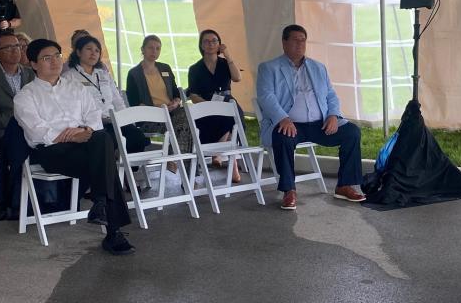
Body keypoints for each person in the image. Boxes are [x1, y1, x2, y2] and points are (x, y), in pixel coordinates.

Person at [13, 39, 134, 255]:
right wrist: (71, 136)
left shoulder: (76, 87)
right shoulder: (26, 96)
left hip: (84, 146)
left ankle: (100, 203)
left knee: (103, 138)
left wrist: (85, 131)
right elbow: (36, 131)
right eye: (46, 58)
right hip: (52, 152)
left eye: (57, 56)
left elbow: (94, 117)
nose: (54, 62)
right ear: (33, 63)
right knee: (105, 162)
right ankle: (111, 228)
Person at [256, 24, 364, 210]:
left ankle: (344, 185)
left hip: (318, 124)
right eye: (295, 40)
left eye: (303, 40)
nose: (300, 44)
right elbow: (266, 96)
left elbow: (331, 95)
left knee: (352, 132)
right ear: (284, 42)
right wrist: (283, 118)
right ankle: (289, 190)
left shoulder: (318, 67)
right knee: (282, 137)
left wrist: (333, 115)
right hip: (290, 124)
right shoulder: (269, 68)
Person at [0, 30, 59, 220]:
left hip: (32, 129)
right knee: (19, 139)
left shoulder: (32, 74)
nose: (16, 50)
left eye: (18, 46)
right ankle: (30, 200)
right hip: (0, 131)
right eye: (9, 47)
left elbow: (45, 106)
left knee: (28, 142)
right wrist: (21, 118)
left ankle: (10, 201)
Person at [65, 35, 148, 156]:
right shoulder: (69, 77)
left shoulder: (103, 74)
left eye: (97, 50)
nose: (93, 53)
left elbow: (117, 100)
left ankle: (125, 170)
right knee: (111, 140)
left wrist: (127, 119)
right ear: (78, 52)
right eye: (89, 49)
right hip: (92, 125)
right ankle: (115, 168)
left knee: (137, 137)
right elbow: (71, 106)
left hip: (114, 120)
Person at [187, 29, 244, 182]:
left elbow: (237, 78)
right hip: (205, 106)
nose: (211, 44)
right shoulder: (195, 69)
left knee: (234, 114)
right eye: (206, 41)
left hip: (226, 101)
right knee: (229, 120)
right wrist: (209, 106)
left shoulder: (225, 63)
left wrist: (228, 55)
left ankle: (218, 152)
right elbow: (192, 95)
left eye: (214, 41)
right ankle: (231, 163)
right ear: (201, 45)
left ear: (219, 44)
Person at [124, 34, 192, 157]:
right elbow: (134, 103)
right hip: (150, 119)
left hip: (171, 114)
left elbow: (176, 94)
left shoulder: (165, 68)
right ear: (142, 49)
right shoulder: (134, 73)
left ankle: (175, 160)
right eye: (150, 48)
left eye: (158, 48)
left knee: (186, 117)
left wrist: (175, 102)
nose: (154, 51)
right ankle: (180, 162)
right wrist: (159, 110)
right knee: (184, 126)